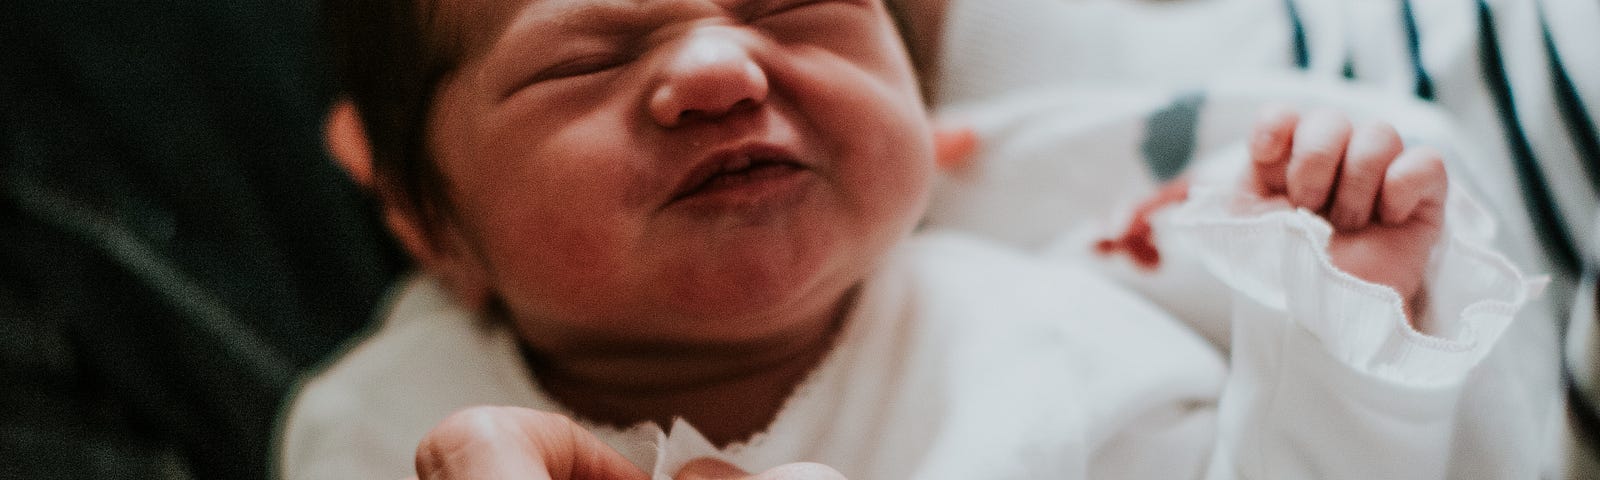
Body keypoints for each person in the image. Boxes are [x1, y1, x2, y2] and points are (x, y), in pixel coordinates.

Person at [277, 1, 1537, 478]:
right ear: (421, 216)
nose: (719, 66)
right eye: (589, 60)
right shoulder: (384, 433)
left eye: (796, 13)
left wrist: (1340, 321)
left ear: (930, 119)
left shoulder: (1052, 350)